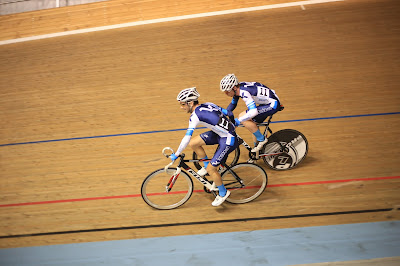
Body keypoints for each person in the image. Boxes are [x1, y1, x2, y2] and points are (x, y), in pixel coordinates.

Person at [169, 87, 238, 207]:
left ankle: (223, 192)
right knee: (194, 143)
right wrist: (232, 124)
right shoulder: (208, 104)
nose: (181, 107)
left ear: (190, 103)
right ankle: (206, 166)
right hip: (221, 133)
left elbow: (186, 137)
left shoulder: (195, 116)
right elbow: (229, 113)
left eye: (182, 104)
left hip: (228, 139)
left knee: (213, 169)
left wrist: (176, 153)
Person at [220, 73, 282, 152]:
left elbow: (253, 111)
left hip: (272, 104)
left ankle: (262, 140)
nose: (226, 94)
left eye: (227, 91)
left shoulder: (244, 92)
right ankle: (256, 153)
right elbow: (233, 104)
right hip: (268, 101)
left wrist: (238, 121)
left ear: (234, 88)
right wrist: (223, 115)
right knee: (245, 119)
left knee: (244, 120)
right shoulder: (238, 88)